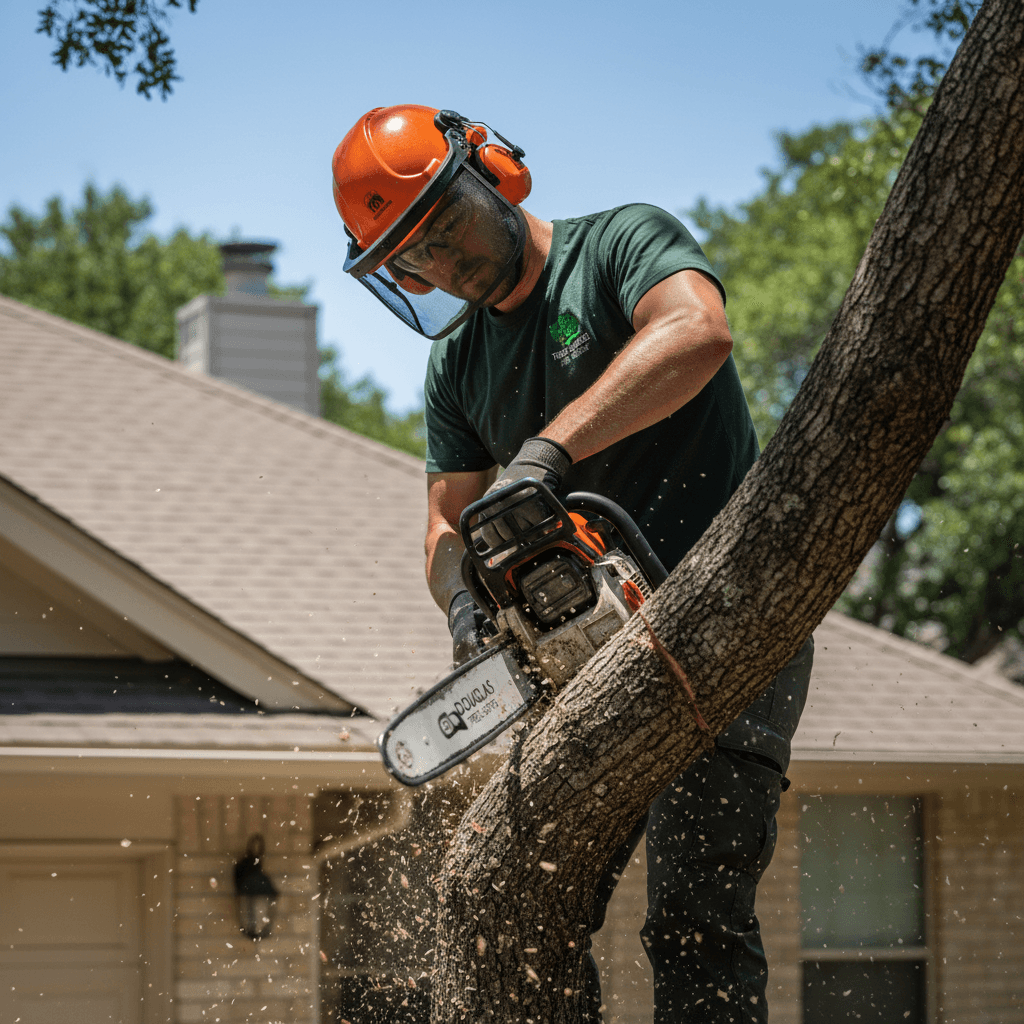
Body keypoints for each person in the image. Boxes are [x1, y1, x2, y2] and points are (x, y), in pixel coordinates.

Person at [332, 104, 812, 1023]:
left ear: (496, 175)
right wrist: (462, 600)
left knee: (694, 919)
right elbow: (444, 524)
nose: (439, 261)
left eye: (444, 225)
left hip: (726, 616)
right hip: (583, 656)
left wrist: (548, 453)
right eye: (412, 256)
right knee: (517, 903)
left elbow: (697, 332)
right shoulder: (457, 365)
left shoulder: (621, 243)